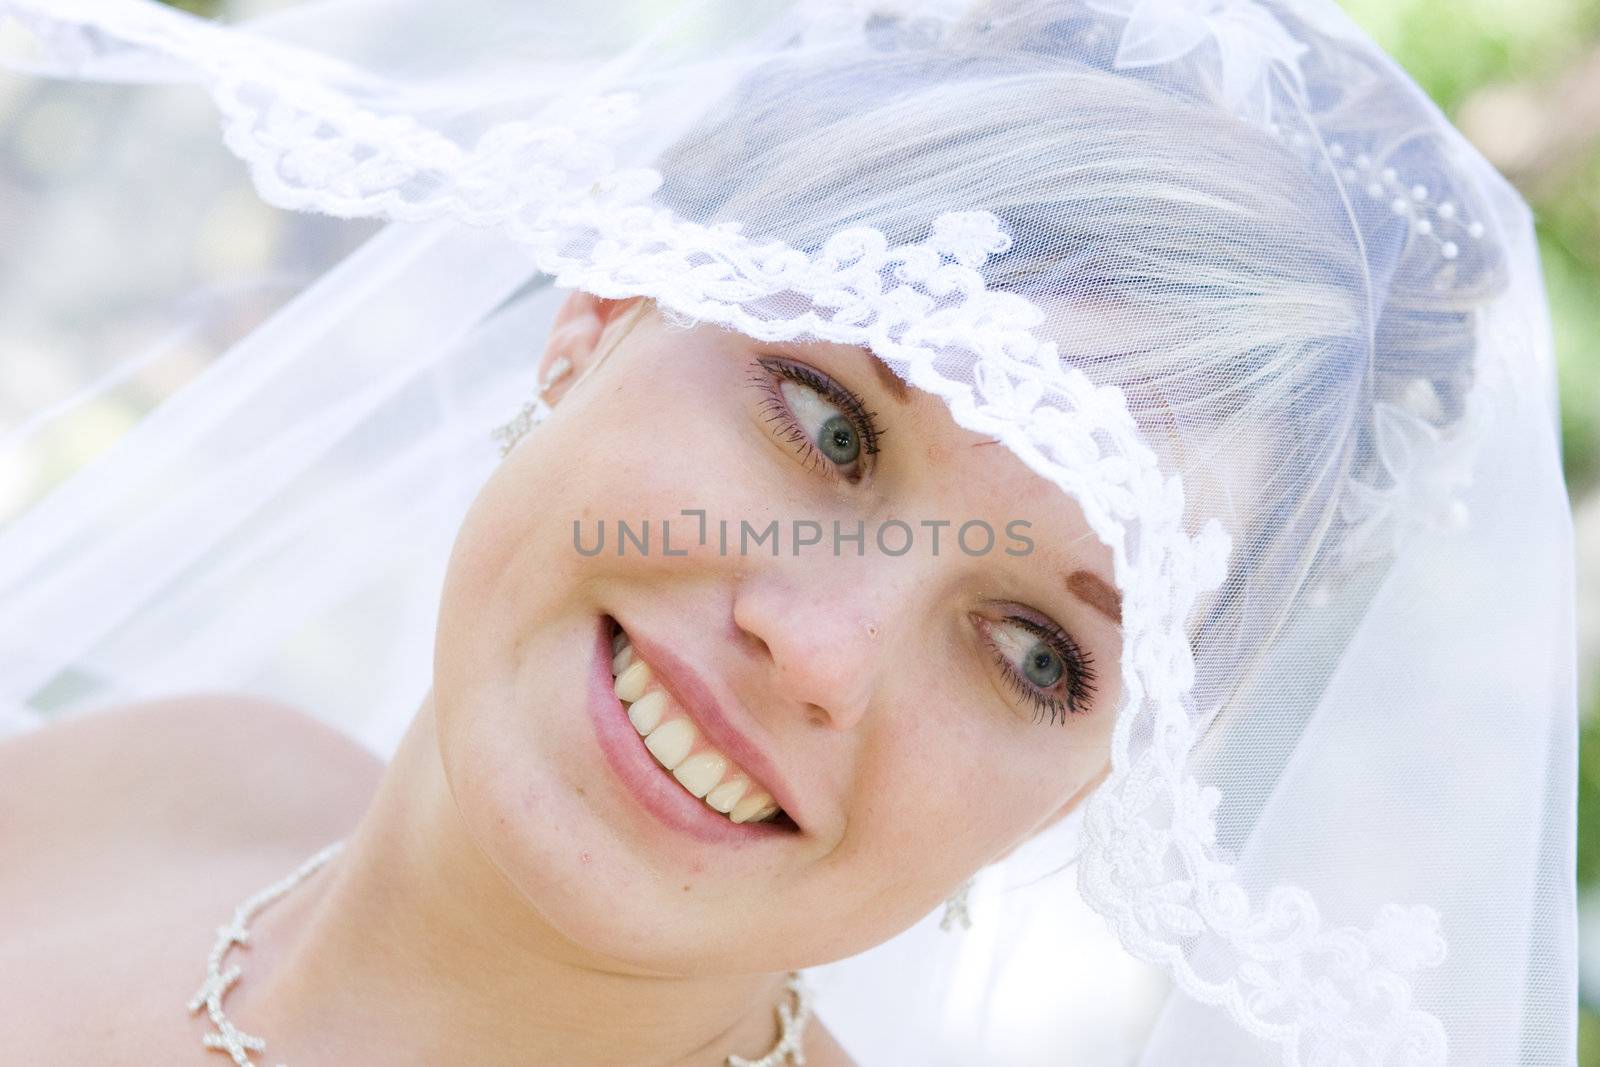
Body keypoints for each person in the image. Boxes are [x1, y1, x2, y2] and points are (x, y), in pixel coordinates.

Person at [0, 0, 1576, 1064]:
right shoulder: (168, 781)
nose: (816, 646)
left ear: (1109, 781)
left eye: (1035, 651)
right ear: (600, 310)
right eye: (830, 426)